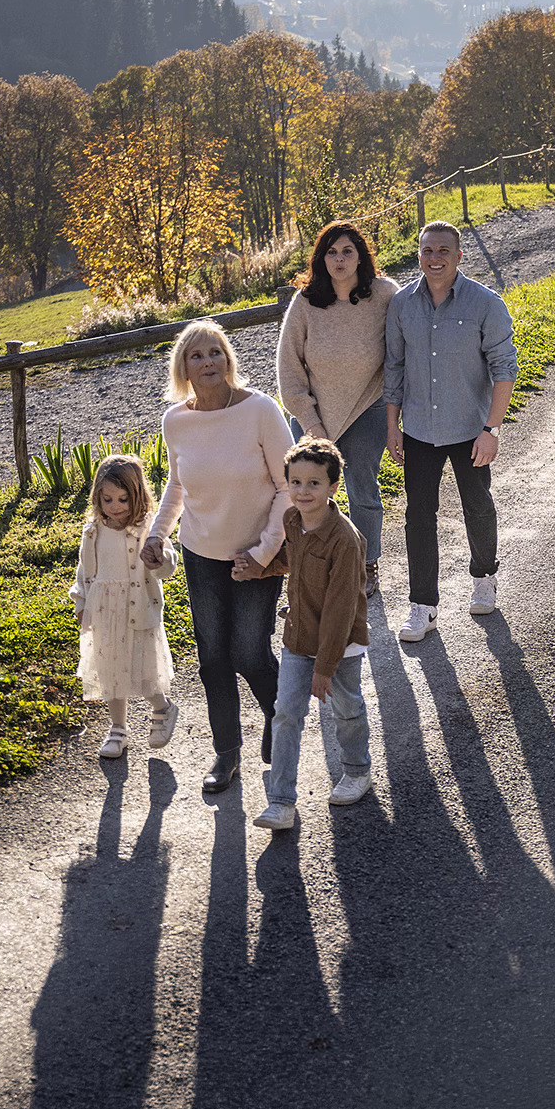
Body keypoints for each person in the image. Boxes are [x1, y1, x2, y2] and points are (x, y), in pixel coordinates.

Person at [144, 320, 291, 792]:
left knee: (249, 651)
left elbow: (289, 486)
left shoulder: (260, 409)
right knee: (212, 658)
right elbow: (178, 485)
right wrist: (158, 534)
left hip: (258, 554)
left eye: (215, 352)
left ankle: (280, 717)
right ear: (183, 368)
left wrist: (264, 552)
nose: (207, 362)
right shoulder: (176, 420)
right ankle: (226, 753)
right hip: (201, 553)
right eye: (197, 355)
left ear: (228, 359)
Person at [385, 221, 519, 641]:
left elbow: (505, 368)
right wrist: (392, 427)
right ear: (419, 255)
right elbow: (394, 367)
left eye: (443, 250)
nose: (435, 258)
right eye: (427, 251)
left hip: (470, 428)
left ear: (459, 256)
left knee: (477, 506)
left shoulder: (485, 303)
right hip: (418, 428)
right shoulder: (402, 304)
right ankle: (423, 606)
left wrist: (491, 429)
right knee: (418, 516)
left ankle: (484, 577)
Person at [240, 438, 371, 833]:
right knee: (286, 713)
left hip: (340, 644)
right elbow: (291, 562)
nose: (303, 491)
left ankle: (357, 771)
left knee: (346, 709)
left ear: (333, 486)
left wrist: (325, 667)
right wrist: (259, 569)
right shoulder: (292, 520)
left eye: (314, 483)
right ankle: (281, 802)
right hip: (298, 636)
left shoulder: (345, 540)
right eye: (295, 482)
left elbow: (340, 609)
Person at [277, 219, 399, 599]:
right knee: (308, 494)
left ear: (361, 256)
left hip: (367, 407)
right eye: (331, 252)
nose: (340, 259)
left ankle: (365, 565)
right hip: (313, 413)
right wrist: (311, 423)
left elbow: (404, 348)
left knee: (362, 487)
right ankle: (311, 573)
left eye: (348, 251)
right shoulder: (305, 303)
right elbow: (289, 369)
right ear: (321, 259)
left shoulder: (384, 295)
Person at [72, 454, 177, 759]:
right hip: (104, 611)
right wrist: (81, 601)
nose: (115, 507)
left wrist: (160, 558)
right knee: (111, 671)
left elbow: (167, 566)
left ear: (137, 496)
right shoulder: (93, 530)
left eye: (123, 499)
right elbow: (85, 570)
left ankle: (162, 708)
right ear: (97, 497)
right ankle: (118, 729)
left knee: (143, 669)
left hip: (138, 608)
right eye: (107, 500)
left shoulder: (148, 529)